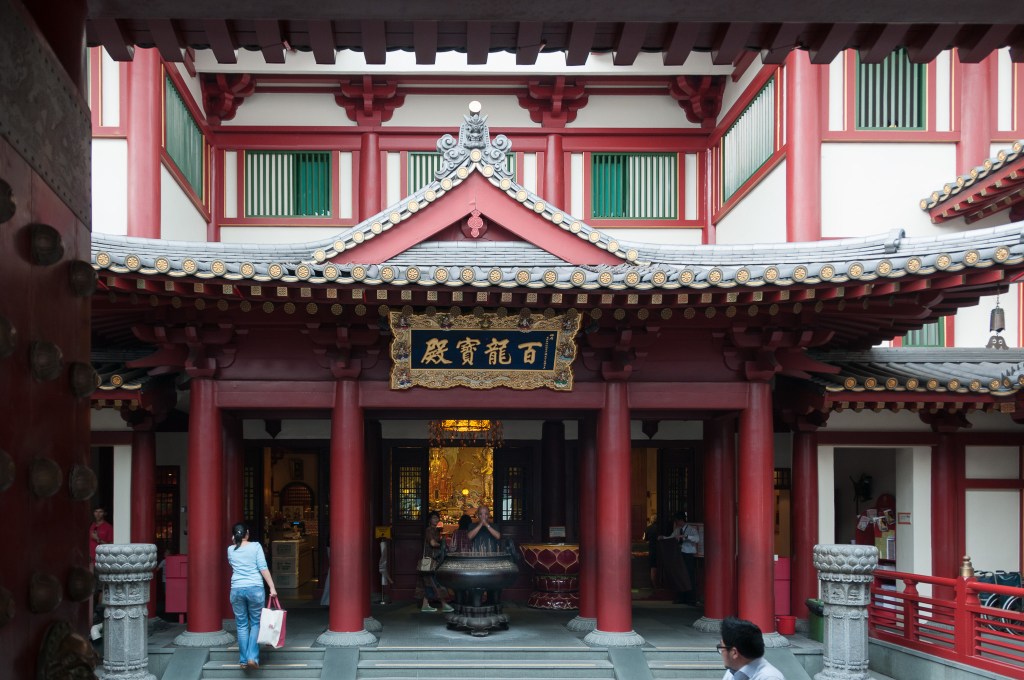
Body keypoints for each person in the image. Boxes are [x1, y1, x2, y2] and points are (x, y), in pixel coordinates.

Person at [227, 522, 277, 671]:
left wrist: (234, 542)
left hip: (236, 589)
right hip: (255, 588)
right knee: (255, 623)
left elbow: (232, 564)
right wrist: (272, 587)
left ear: (234, 535)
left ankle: (243, 660)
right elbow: (263, 567)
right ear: (247, 533)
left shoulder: (230, 549)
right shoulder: (255, 546)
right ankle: (252, 658)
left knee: (241, 625)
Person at [717, 616, 784, 680]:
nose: (721, 652)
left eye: (722, 647)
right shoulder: (732, 672)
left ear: (734, 653)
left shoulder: (770, 677)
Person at [415, 511, 453, 613]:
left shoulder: (435, 530)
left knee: (431, 582)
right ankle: (443, 604)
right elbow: (432, 543)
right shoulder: (429, 530)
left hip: (433, 559)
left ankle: (426, 605)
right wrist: (442, 545)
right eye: (434, 518)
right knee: (434, 582)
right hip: (431, 559)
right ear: (429, 520)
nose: (436, 520)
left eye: (437, 518)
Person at [665, 511, 700, 604]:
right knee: (679, 576)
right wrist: (663, 538)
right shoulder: (677, 530)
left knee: (689, 576)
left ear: (681, 520)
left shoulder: (691, 529)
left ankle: (690, 599)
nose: (676, 523)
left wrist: (685, 536)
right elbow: (671, 538)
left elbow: (697, 539)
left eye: (676, 521)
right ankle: (680, 597)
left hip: (688, 555)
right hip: (679, 555)